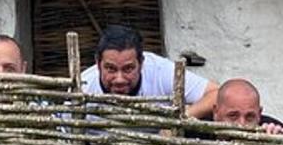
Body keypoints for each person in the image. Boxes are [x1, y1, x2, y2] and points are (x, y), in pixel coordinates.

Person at [80, 25, 217, 119]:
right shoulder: (83, 87)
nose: (119, 79)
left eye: (128, 69)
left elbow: (216, 93)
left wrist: (182, 119)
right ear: (98, 64)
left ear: (141, 63)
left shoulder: (161, 71)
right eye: (111, 69)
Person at [212, 79, 283, 134]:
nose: (242, 124)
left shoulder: (275, 130)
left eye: (249, 117)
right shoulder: (201, 133)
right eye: (233, 116)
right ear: (216, 112)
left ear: (259, 114)